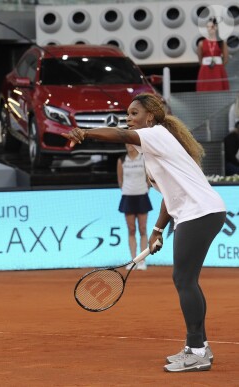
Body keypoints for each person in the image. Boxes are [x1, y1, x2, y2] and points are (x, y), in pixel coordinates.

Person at [62, 93, 226, 373]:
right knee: (187, 281)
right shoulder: (154, 151)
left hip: (200, 213)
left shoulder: (156, 134)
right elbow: (168, 196)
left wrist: (86, 132)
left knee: (184, 280)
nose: (129, 118)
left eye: (134, 113)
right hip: (198, 213)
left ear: (150, 116)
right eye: (128, 114)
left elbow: (119, 135)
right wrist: (158, 229)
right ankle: (197, 347)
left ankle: (197, 351)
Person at [117, 144, 152, 270]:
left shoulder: (143, 158)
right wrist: (128, 190)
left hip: (142, 196)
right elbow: (120, 180)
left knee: (142, 229)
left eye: (131, 143)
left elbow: (149, 177)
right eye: (126, 144)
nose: (129, 146)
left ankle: (142, 260)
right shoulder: (121, 160)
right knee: (131, 230)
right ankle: (133, 261)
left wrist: (144, 189)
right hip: (128, 197)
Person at [196, 18, 229, 92]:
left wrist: (218, 65)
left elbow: (226, 59)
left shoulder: (222, 43)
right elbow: (200, 60)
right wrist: (206, 64)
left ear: (216, 27)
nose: (210, 29)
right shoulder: (201, 43)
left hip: (218, 70)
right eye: (208, 27)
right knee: (205, 89)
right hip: (205, 71)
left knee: (219, 89)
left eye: (212, 26)